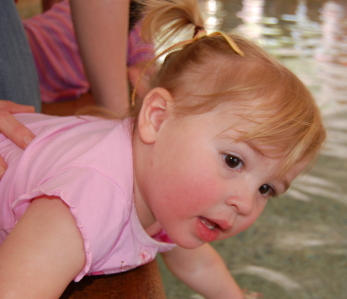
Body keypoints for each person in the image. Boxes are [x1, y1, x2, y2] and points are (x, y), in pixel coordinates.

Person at [0, 0, 326, 298]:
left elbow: (197, 264)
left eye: (266, 188)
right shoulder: (87, 203)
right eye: (233, 161)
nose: (245, 203)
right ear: (157, 119)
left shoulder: (168, 192)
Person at [22, 0, 155, 109]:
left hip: (24, 37)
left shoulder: (68, 7)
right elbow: (142, 75)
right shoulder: (139, 24)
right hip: (34, 67)